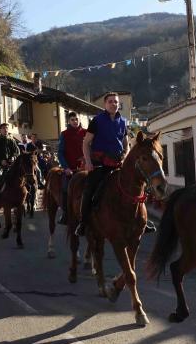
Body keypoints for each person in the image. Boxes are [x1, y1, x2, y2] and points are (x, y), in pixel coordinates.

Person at [75, 92, 145, 237]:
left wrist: (125, 156)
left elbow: (126, 143)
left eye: (116, 102)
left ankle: (141, 220)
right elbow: (86, 143)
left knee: (137, 185)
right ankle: (83, 222)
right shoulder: (97, 120)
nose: (114, 104)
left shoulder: (123, 122)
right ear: (105, 104)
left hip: (118, 163)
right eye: (110, 101)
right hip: (99, 164)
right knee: (89, 189)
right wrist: (88, 162)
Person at [57, 112, 86, 224]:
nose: (75, 121)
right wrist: (66, 168)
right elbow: (60, 153)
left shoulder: (86, 132)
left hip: (85, 169)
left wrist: (86, 158)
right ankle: (66, 214)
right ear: (68, 121)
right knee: (65, 189)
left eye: (76, 119)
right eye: (72, 119)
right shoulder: (64, 134)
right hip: (70, 170)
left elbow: (91, 149)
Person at [0, 123, 20, 201]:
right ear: (0, 130)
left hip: (11, 164)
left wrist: (13, 157)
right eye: (3, 128)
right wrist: (0, 161)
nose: (5, 129)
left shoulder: (12, 140)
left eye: (7, 128)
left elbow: (17, 152)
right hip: (0, 165)